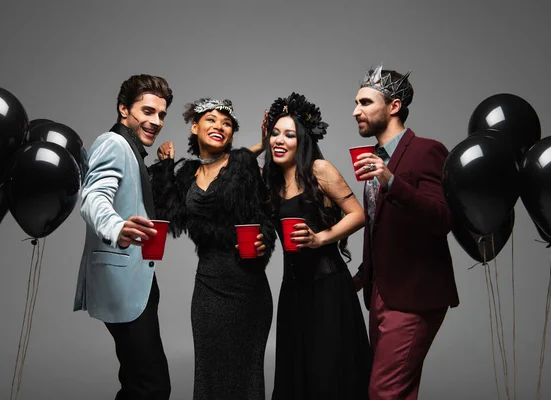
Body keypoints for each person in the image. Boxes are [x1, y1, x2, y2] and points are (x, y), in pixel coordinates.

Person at [150, 98, 276, 400]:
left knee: (246, 378)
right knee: (209, 375)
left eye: (227, 123)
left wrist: (263, 240)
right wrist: (165, 168)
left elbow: (265, 216)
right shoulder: (185, 174)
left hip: (247, 287)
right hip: (207, 287)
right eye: (211, 120)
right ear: (195, 127)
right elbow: (168, 216)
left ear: (231, 135)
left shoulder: (243, 166)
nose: (219, 126)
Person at [351, 64, 459, 399]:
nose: (356, 111)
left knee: (384, 392)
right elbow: (379, 228)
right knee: (397, 392)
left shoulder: (427, 150)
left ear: (394, 106)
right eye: (356, 103)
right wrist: (359, 276)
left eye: (366, 103)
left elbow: (442, 218)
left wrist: (391, 182)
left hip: (414, 295)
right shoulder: (374, 158)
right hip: (380, 292)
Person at [262, 92, 372, 400]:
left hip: (328, 289)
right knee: (296, 374)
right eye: (274, 134)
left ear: (303, 141)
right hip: (292, 292)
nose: (279, 140)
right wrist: (260, 142)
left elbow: (359, 215)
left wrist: (320, 238)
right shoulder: (269, 179)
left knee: (328, 374)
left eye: (289, 135)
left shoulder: (319, 170)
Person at [74, 74, 174, 400]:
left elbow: (134, 194)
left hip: (138, 282)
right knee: (150, 386)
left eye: (161, 114)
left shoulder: (132, 150)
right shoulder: (112, 143)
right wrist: (117, 228)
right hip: (123, 284)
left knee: (138, 383)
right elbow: (93, 197)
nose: (155, 121)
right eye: (147, 111)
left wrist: (160, 168)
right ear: (123, 110)